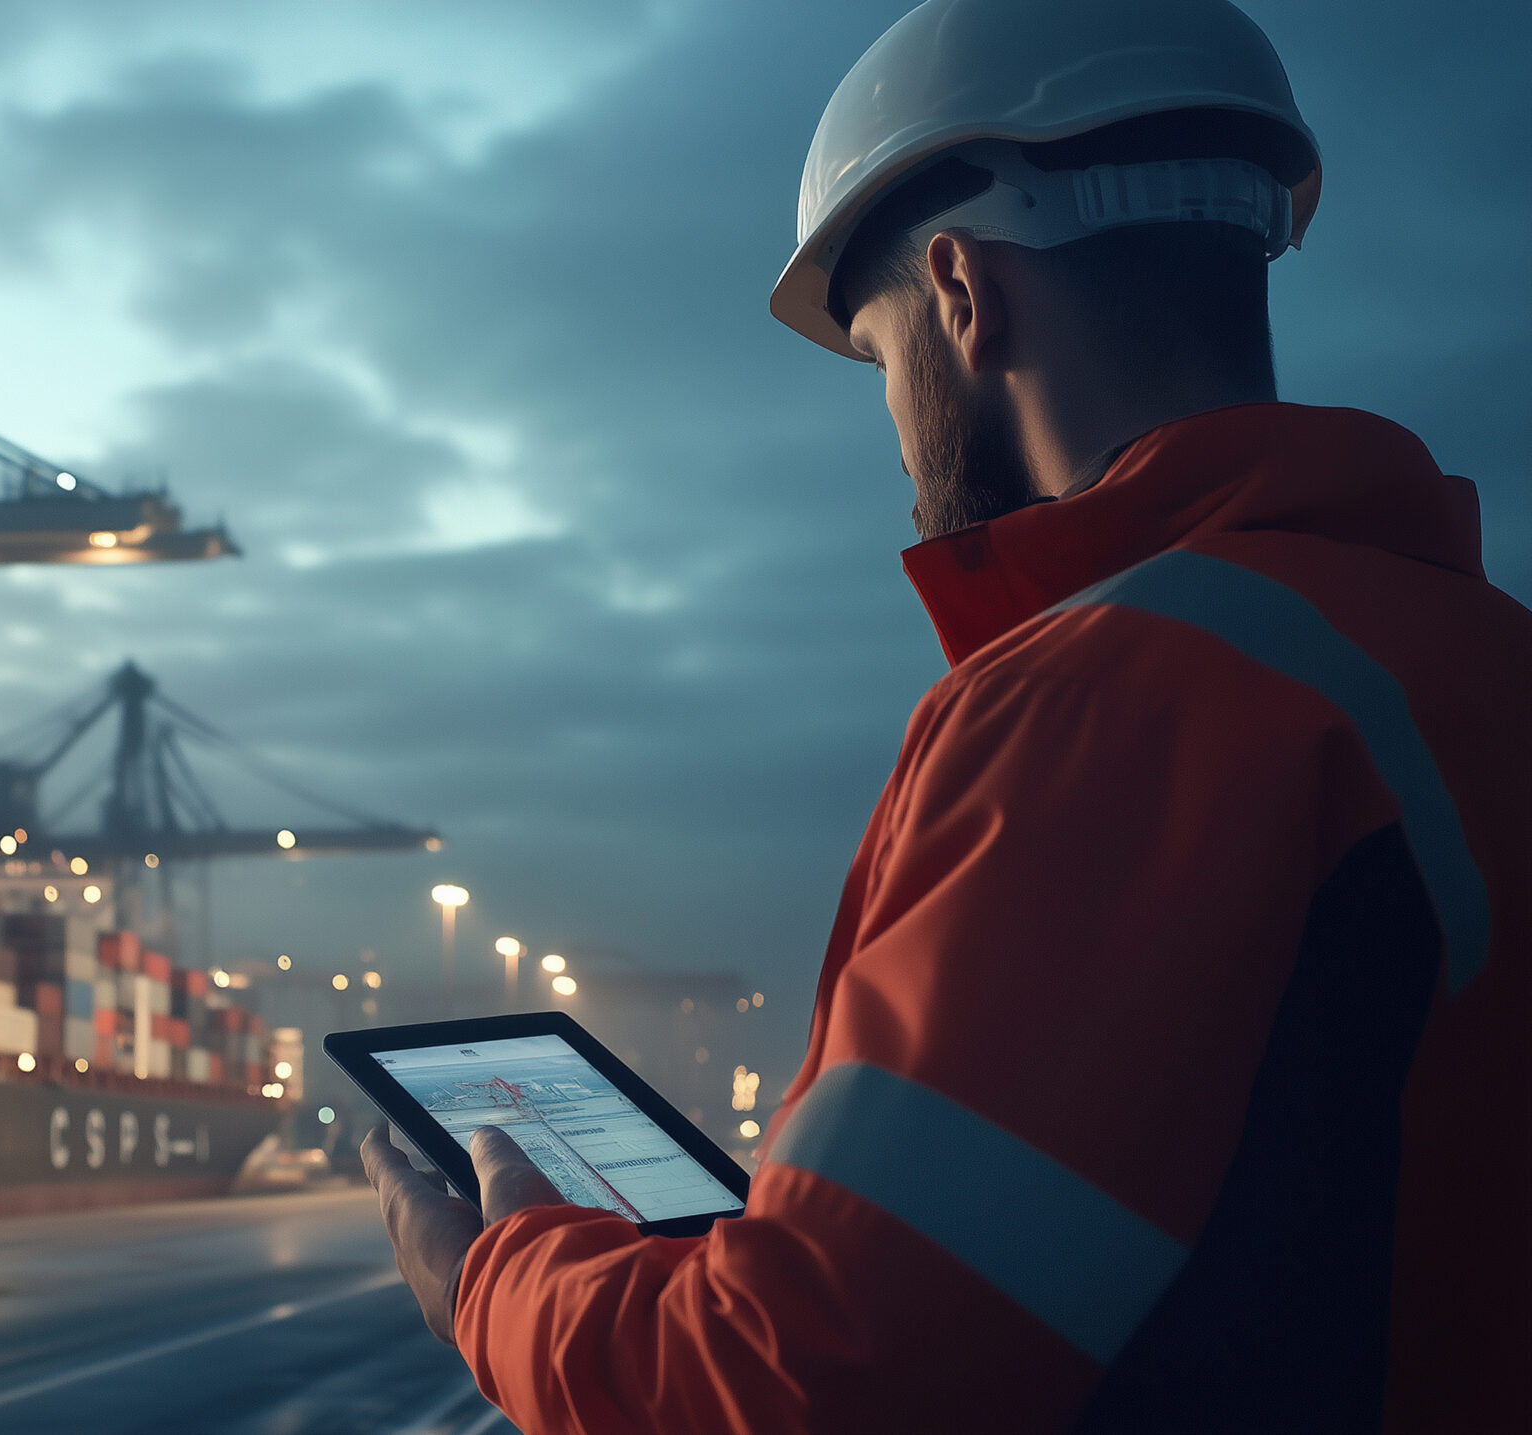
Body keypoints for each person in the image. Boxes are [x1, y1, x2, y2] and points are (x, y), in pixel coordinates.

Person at [361, 1, 1528, 1430]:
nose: (901, 444)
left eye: (879, 356)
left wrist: (488, 1282)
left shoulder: (1115, 699)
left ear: (964, 292)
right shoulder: (1477, 657)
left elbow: (805, 1383)